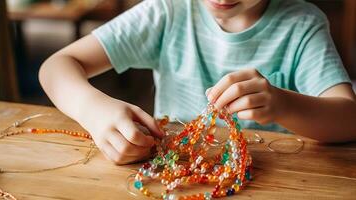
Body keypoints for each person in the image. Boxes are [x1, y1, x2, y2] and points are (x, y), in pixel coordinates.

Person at [39, 0, 356, 164]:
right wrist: (94, 111)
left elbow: (348, 119)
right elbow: (56, 67)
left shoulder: (302, 25)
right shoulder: (168, 11)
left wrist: (283, 104)